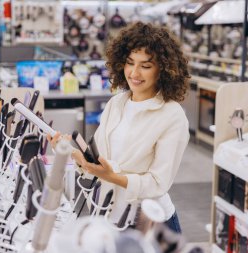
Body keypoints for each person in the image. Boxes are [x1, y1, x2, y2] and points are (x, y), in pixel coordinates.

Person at [48, 22, 190, 233]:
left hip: (149, 223)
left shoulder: (172, 115)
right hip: (110, 216)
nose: (134, 72)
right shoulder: (117, 103)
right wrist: (75, 157)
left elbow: (157, 183)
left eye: (145, 65)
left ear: (163, 69)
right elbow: (101, 158)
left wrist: (111, 176)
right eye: (130, 62)